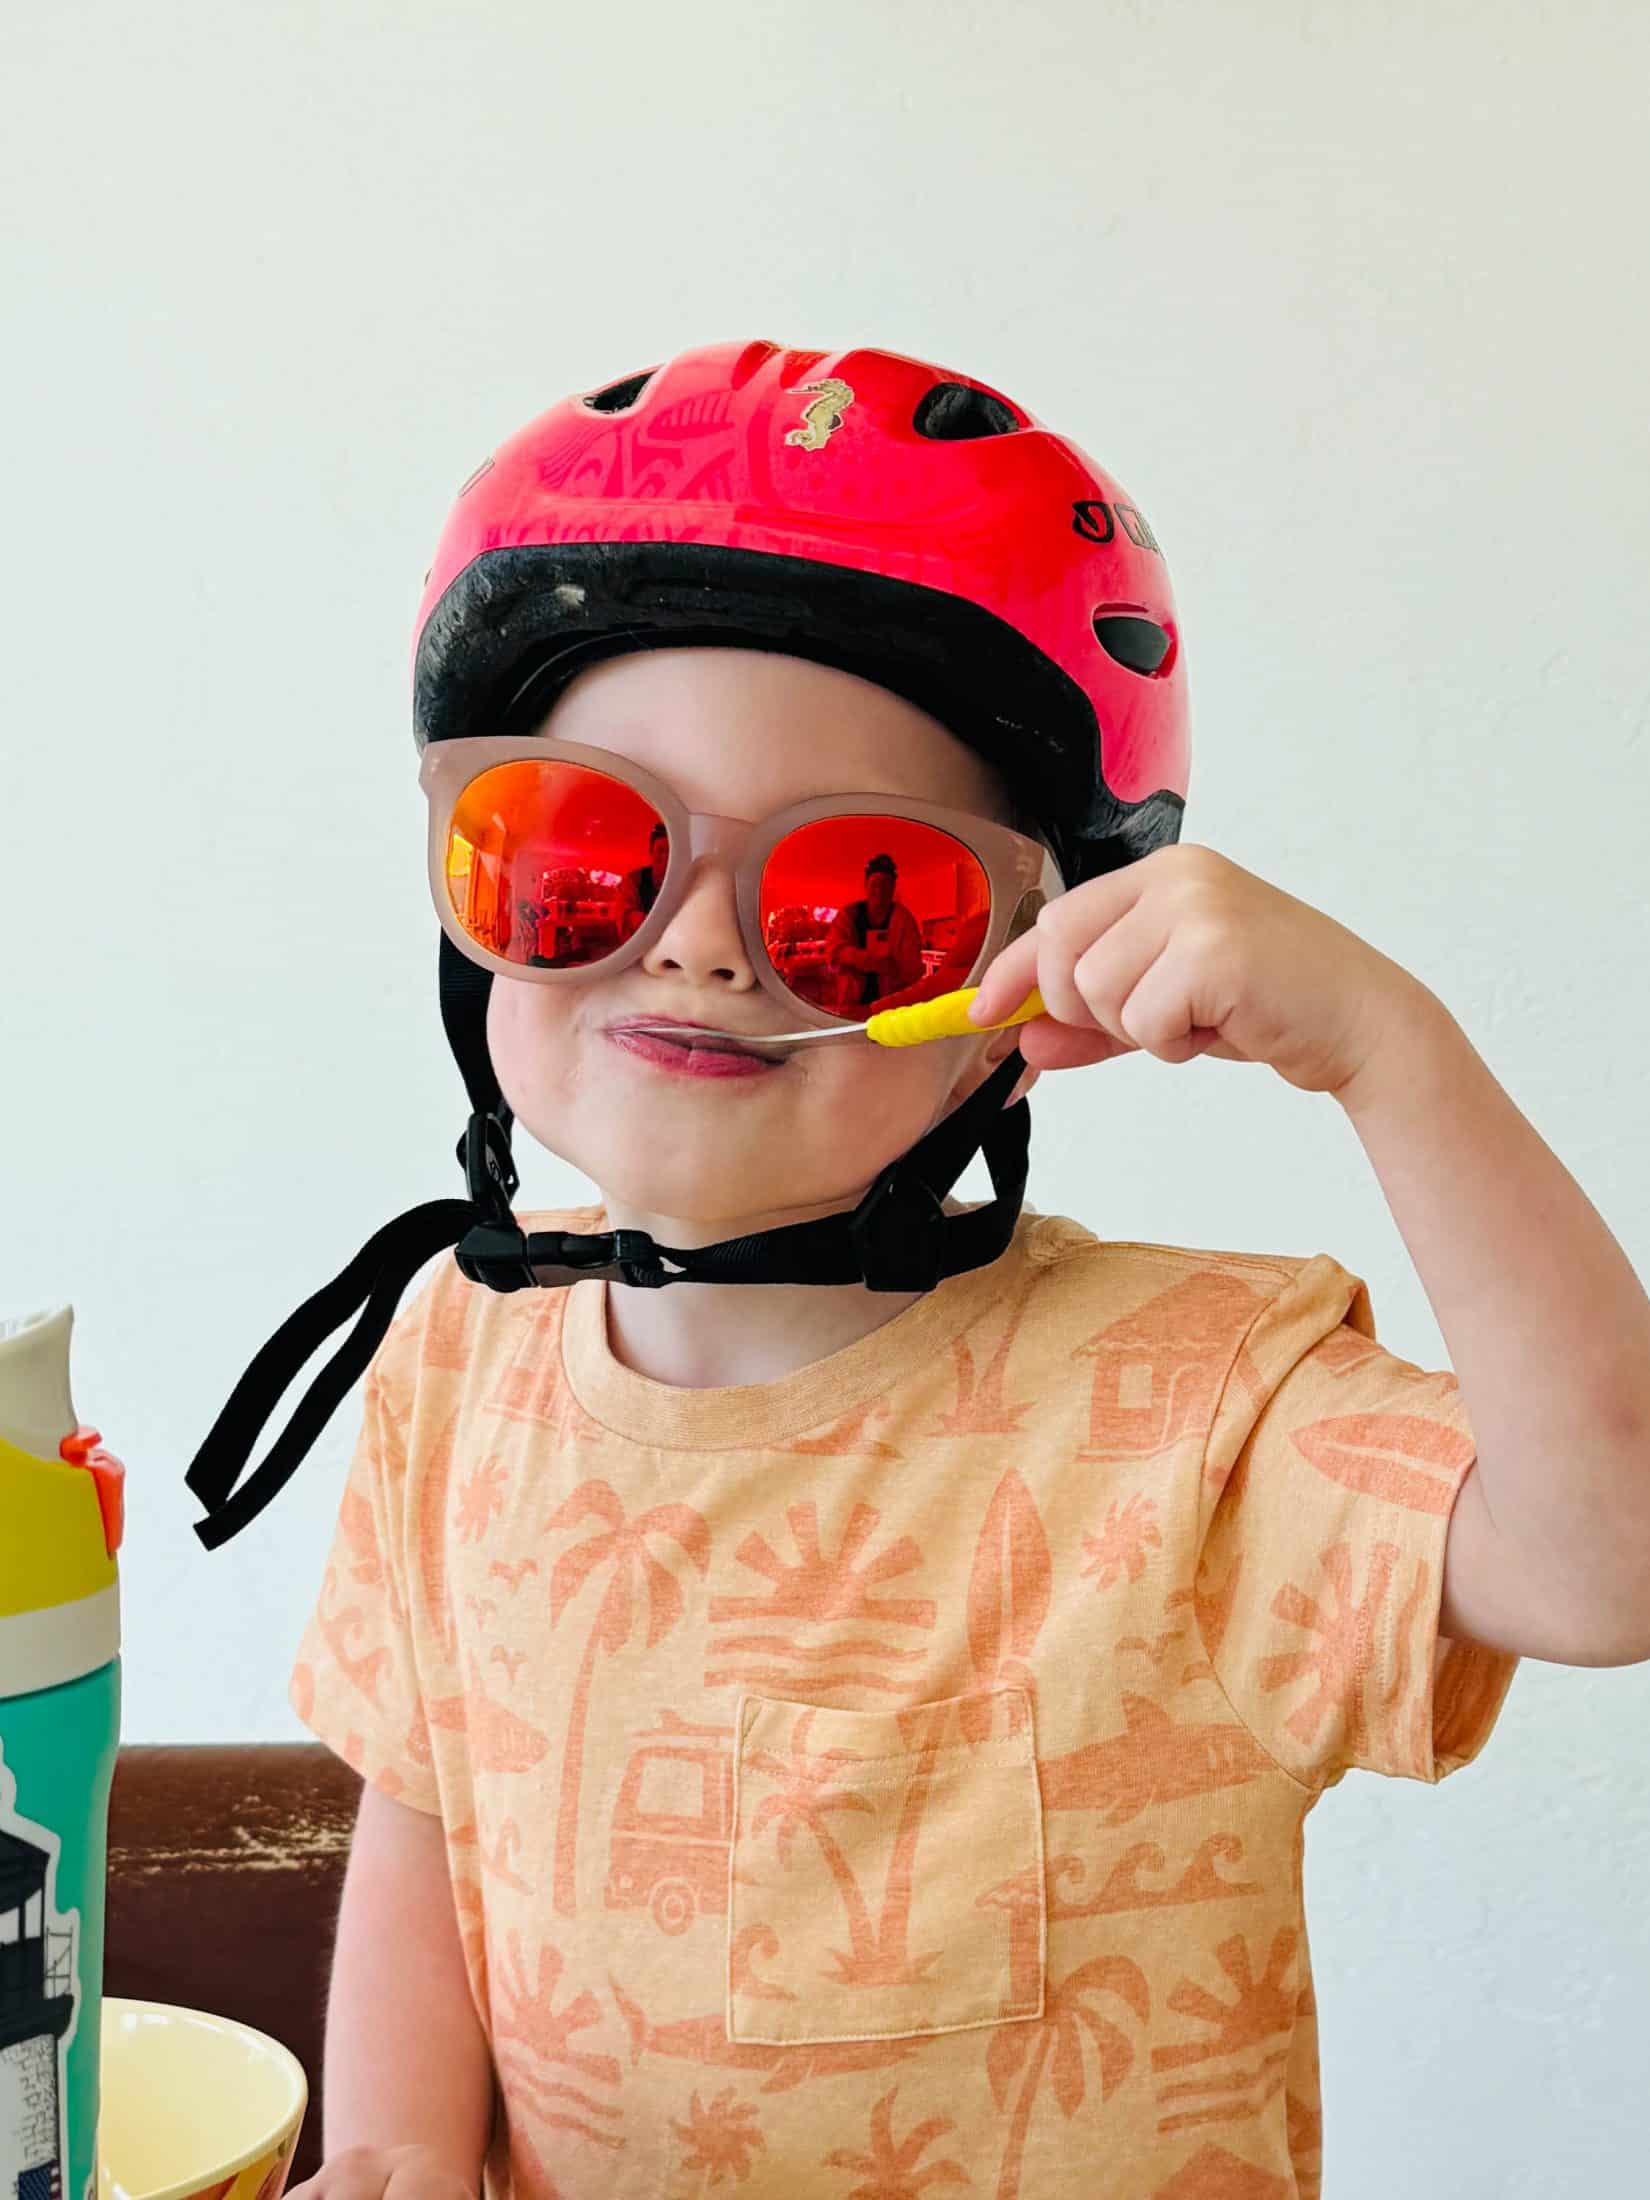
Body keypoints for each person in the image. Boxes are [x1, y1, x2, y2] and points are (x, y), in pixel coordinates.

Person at [201, 341, 1650, 2200]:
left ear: (1029, 991)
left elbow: (1610, 1559)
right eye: (586, 856)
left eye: (858, 906)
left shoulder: (1191, 1407)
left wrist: (1389, 1050)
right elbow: (428, 1796)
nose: (698, 950)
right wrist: (398, 2142)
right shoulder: (456, 1349)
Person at [822, 851, 926, 1008]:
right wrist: (869, 961)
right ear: (866, 885)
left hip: (891, 1002)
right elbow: (833, 951)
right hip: (852, 1001)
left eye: (885, 884)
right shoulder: (848, 915)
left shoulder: (904, 920)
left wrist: (896, 970)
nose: (879, 890)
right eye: (875, 884)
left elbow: (913, 968)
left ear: (893, 888)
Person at [619, 821, 671, 937]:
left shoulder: (684, 881)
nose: (665, 856)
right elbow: (627, 917)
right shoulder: (633, 881)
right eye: (660, 850)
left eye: (670, 851)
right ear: (651, 852)